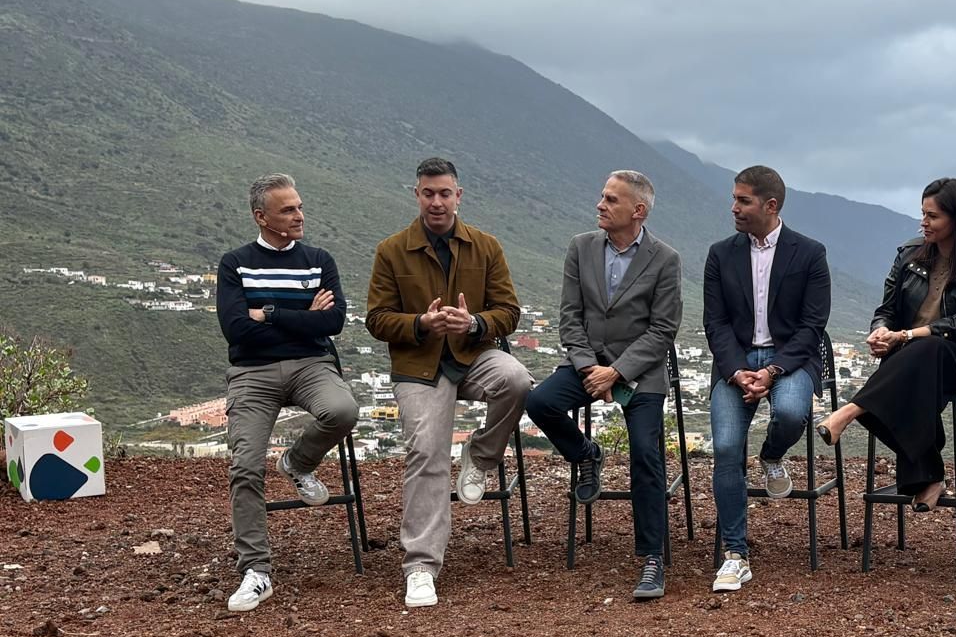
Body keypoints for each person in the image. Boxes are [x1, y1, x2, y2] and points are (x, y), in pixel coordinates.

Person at [366, 157, 529, 609]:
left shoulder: (486, 247)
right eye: (427, 193)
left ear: (459, 196)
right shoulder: (391, 250)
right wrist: (421, 323)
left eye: (444, 193)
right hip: (420, 366)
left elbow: (508, 312)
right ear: (416, 195)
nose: (436, 202)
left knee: (516, 379)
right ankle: (420, 565)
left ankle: (480, 453)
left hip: (474, 354)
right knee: (426, 449)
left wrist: (473, 323)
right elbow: (376, 320)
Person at [524, 171, 683, 601]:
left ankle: (652, 559)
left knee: (647, 455)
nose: (600, 205)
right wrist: (589, 367)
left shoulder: (665, 259)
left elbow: (662, 330)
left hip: (640, 372)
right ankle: (586, 453)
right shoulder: (581, 247)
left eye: (611, 200)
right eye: (601, 197)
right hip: (585, 365)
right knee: (539, 402)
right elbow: (569, 318)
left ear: (638, 211)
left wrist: (618, 373)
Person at [216, 173, 359, 613]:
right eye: (288, 210)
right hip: (252, 373)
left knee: (343, 410)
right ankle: (256, 570)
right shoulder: (234, 263)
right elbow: (235, 329)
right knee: (244, 466)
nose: (299, 215)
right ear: (261, 217)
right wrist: (300, 315)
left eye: (299, 206)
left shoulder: (319, 259)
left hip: (311, 365)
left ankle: (297, 463)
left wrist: (270, 312)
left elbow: (332, 323)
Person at [815, 178, 956, 509]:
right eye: (923, 214)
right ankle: (930, 477)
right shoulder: (908, 256)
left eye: (933, 217)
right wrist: (881, 332)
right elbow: (885, 310)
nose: (924, 223)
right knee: (914, 370)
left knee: (928, 348)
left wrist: (907, 335)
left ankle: (851, 410)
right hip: (910, 358)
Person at [702, 164, 831, 592]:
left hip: (790, 360)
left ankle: (772, 455)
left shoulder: (809, 253)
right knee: (723, 446)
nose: (734, 207)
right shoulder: (721, 254)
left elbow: (813, 327)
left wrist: (773, 370)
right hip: (737, 361)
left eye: (743, 200)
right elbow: (715, 322)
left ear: (770, 205)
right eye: (734, 198)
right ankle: (735, 554)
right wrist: (737, 370)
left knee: (793, 412)